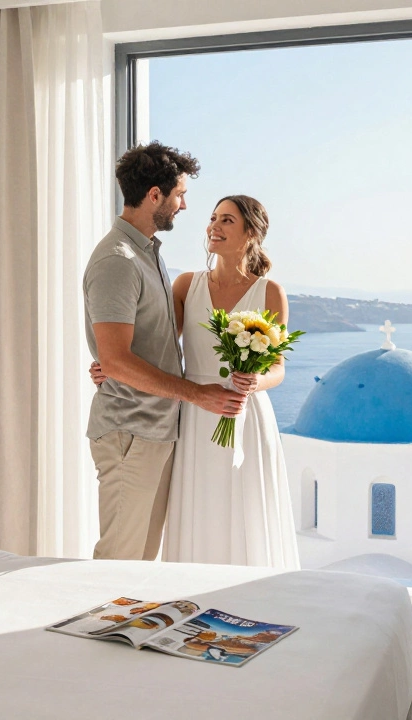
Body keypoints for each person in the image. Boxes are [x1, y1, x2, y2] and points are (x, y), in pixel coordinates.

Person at [92, 196, 300, 569]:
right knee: (199, 509)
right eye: (213, 218)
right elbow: (158, 345)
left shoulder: (270, 292)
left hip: (244, 418)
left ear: (250, 234)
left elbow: (279, 368)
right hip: (194, 416)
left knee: (244, 512)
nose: (214, 227)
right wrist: (109, 364)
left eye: (227, 221)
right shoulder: (187, 285)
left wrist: (254, 381)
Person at [85, 142, 246, 561]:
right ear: (154, 195)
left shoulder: (148, 255)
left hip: (154, 429)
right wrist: (197, 394)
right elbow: (117, 358)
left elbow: (138, 346)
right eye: (180, 195)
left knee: (140, 561)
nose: (185, 206)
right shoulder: (118, 260)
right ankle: (96, 627)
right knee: (119, 558)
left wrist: (112, 363)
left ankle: (126, 626)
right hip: (130, 432)